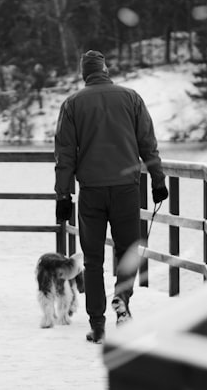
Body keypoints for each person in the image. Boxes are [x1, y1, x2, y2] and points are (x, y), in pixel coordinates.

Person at [54, 50, 168, 344]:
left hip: (91, 192)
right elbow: (148, 144)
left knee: (93, 261)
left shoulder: (72, 104)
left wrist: (63, 195)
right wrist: (157, 180)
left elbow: (65, 155)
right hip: (126, 190)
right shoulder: (131, 98)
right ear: (105, 70)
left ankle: (98, 325)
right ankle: (122, 300)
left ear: (84, 73)